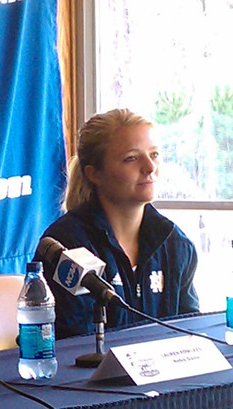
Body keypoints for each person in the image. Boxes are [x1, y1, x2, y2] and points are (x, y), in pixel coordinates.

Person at [37, 108, 199, 339]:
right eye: (131, 158)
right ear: (95, 174)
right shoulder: (68, 244)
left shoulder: (176, 244)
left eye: (154, 155)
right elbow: (65, 343)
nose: (150, 167)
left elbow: (190, 329)